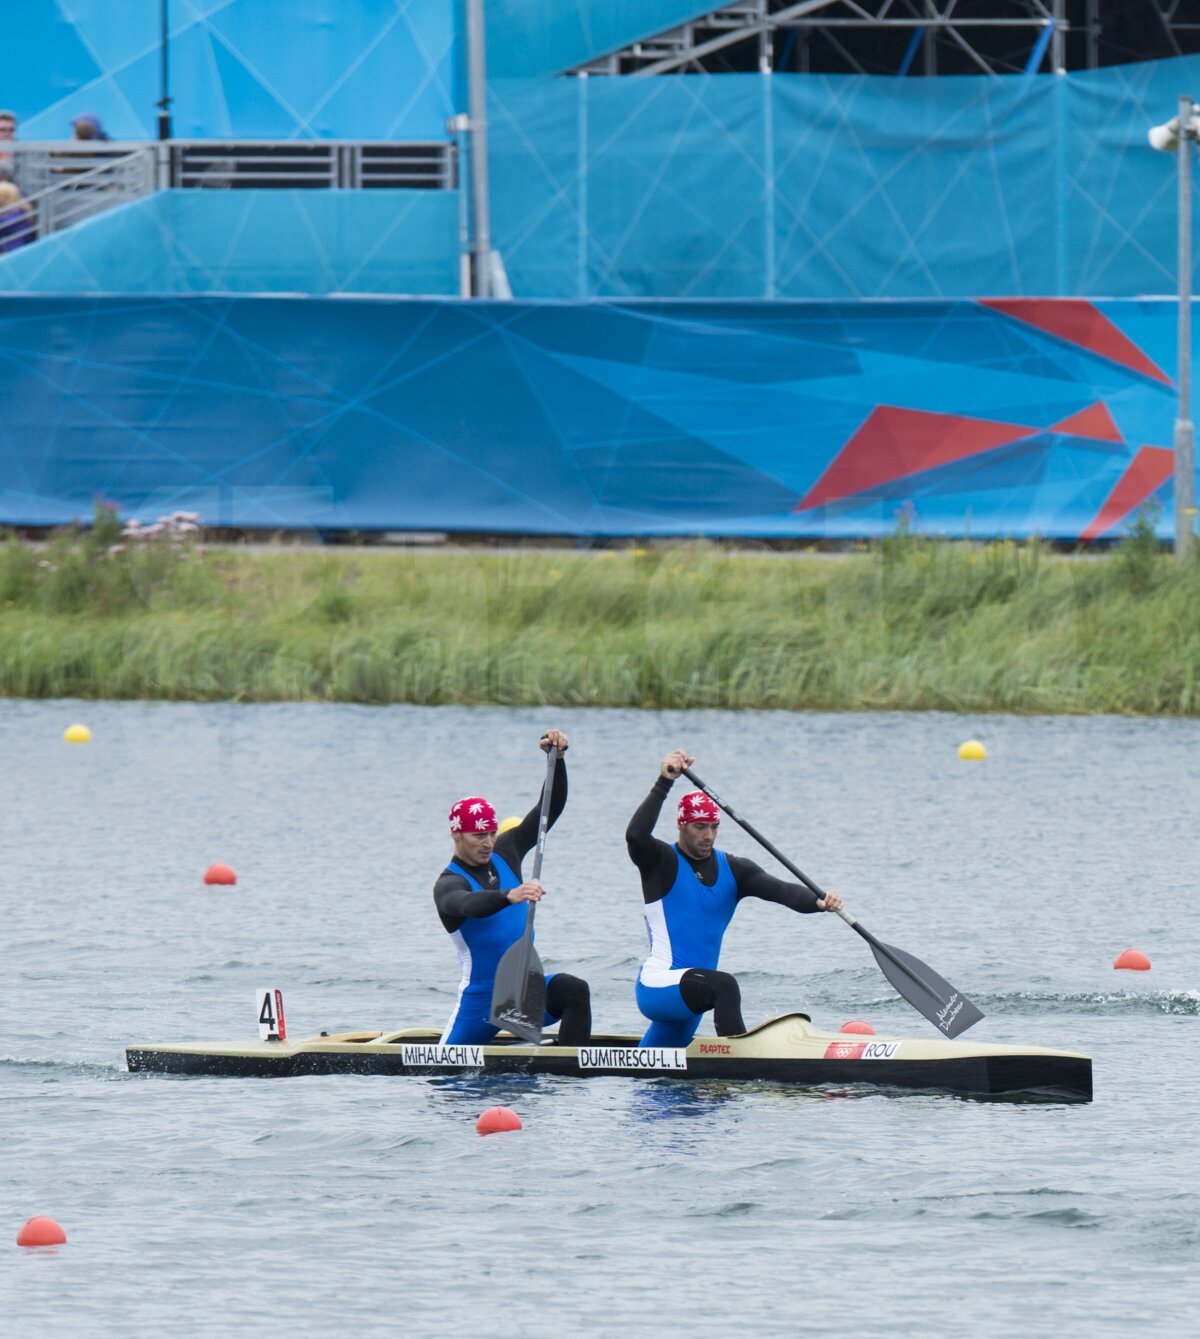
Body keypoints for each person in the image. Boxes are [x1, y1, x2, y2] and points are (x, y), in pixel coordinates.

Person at [627, 748, 844, 1048]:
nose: (708, 835)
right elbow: (636, 836)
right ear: (682, 826)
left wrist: (817, 902)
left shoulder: (735, 869)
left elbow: (781, 891)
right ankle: (737, 1071)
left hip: (693, 993)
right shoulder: (661, 862)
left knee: (654, 1075)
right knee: (724, 985)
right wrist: (663, 783)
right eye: (699, 827)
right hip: (658, 985)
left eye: (714, 827)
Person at [434, 729, 591, 1046]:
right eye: (478, 836)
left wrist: (557, 760)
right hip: (480, 1003)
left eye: (491, 833)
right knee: (444, 1080)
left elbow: (549, 810)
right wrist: (509, 895)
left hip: (523, 994)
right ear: (457, 835)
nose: (488, 842)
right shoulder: (448, 883)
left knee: (574, 990)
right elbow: (467, 905)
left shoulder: (507, 852)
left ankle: (571, 1072)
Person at [0, 181, 33, 253]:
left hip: (17, 249)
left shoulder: (20, 211)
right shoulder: (4, 211)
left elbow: (7, 223)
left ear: (8, 197)